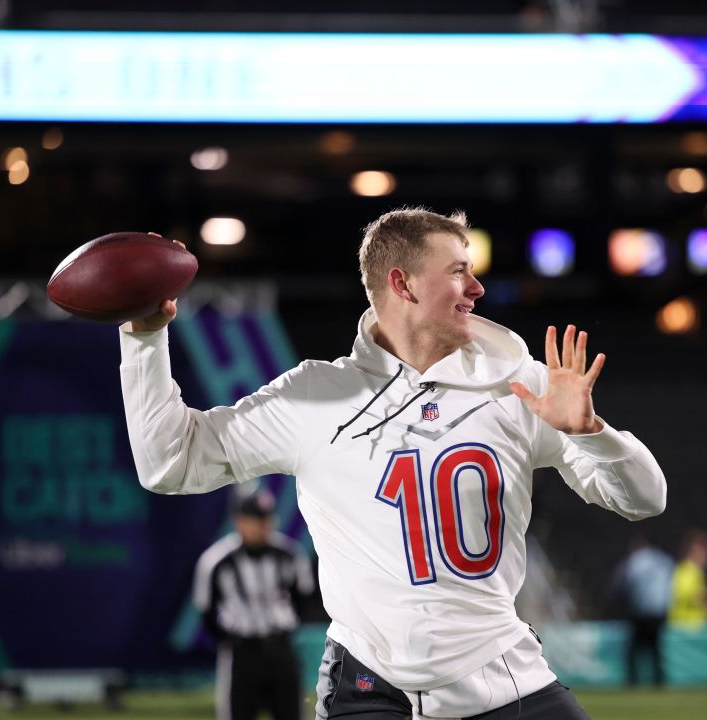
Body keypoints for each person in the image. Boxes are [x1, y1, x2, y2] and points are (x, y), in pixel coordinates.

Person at [118, 208, 667, 719]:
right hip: (367, 687)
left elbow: (645, 500)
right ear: (402, 284)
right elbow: (170, 462)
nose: (476, 287)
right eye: (457, 271)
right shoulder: (317, 394)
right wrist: (145, 339)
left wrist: (592, 433)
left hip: (502, 678)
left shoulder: (518, 385)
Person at [194, 488, 315, 720]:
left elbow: (303, 598)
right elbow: (206, 611)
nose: (262, 526)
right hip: (241, 653)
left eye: (266, 519)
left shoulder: (289, 555)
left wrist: (286, 628)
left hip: (281, 649)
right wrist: (230, 639)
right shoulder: (217, 561)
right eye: (255, 519)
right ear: (239, 520)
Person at [610, 536, 674, 686]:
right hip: (659, 611)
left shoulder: (635, 560)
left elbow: (624, 582)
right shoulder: (663, 559)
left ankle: (633, 680)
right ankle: (659, 680)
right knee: (656, 649)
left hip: (640, 611)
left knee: (633, 649)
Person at [668, 529, 707, 630]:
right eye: (704, 551)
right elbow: (681, 594)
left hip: (694, 628)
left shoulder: (697, 572)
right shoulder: (687, 571)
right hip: (684, 629)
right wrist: (700, 595)